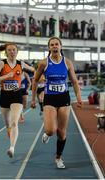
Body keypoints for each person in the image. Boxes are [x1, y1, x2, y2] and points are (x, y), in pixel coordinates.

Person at [31, 36, 82, 169]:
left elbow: (75, 82)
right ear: (49, 48)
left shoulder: (68, 62)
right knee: (51, 130)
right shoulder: (43, 63)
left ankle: (58, 157)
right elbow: (35, 80)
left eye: (56, 44)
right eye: (52, 45)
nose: (54, 46)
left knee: (62, 132)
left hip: (64, 98)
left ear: (60, 47)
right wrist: (32, 99)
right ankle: (47, 134)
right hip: (50, 98)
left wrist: (79, 97)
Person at [0, 42, 34, 158]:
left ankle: (12, 148)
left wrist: (44, 70)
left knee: (14, 122)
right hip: (5, 95)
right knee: (8, 124)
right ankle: (8, 129)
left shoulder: (21, 64)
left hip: (16, 95)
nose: (12, 52)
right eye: (9, 50)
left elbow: (34, 70)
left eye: (14, 50)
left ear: (17, 51)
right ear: (6, 52)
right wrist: (6, 76)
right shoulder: (2, 63)